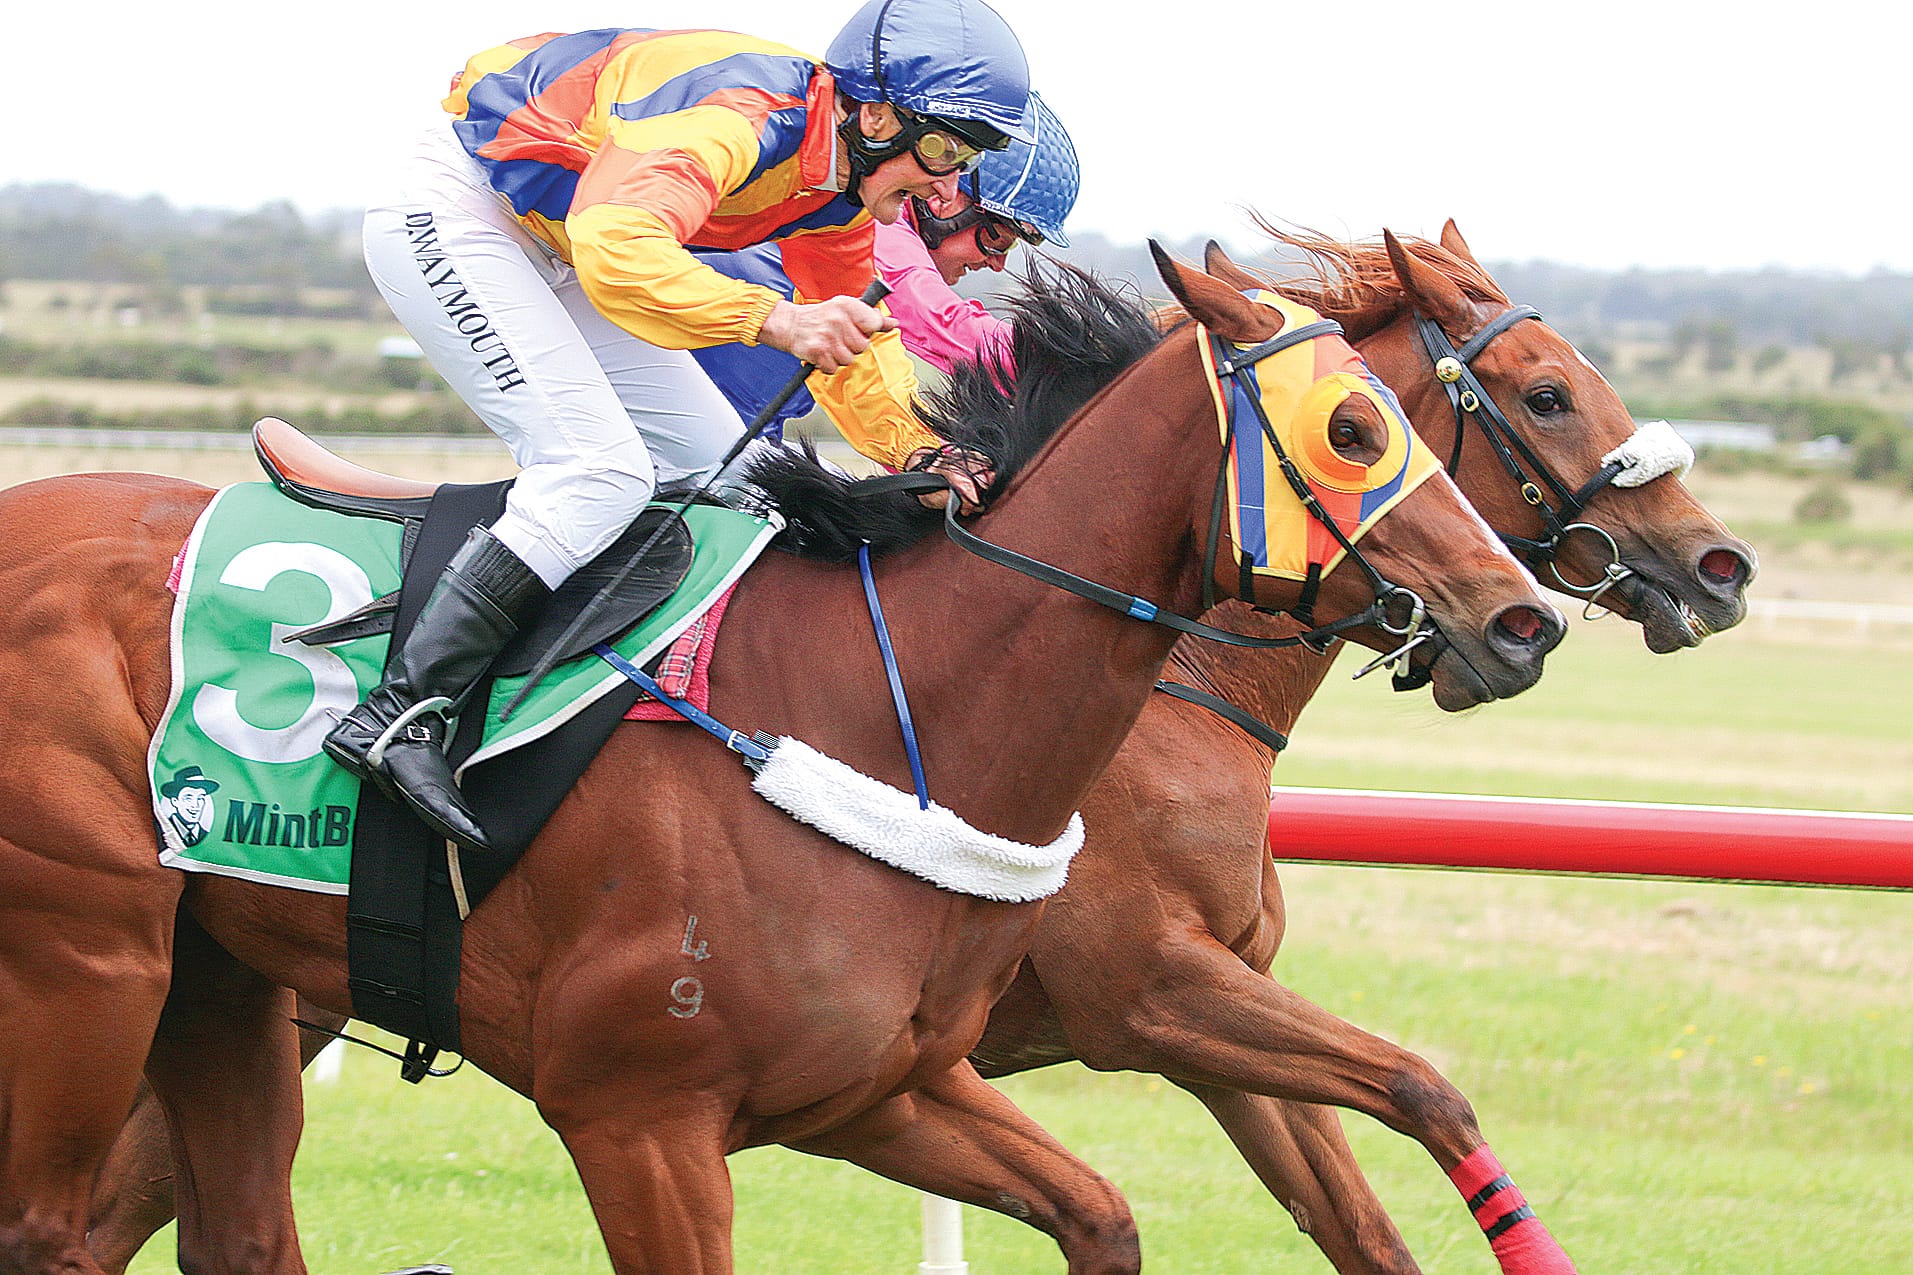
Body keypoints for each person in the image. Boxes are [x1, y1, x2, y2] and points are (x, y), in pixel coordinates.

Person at [328, 0, 1036, 852]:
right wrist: (770, 320)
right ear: (877, 113)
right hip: (462, 212)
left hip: (554, 240)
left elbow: (844, 338)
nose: (947, 184)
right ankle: (398, 713)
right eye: (947, 149)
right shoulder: (746, 116)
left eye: (969, 159)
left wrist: (918, 450)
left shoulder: (836, 189)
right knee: (598, 469)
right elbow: (618, 245)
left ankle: (631, 699)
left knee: (729, 475)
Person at [688, 91, 1079, 438]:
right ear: (948, 202)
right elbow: (944, 324)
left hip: (737, 427)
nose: (996, 263)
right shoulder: (875, 230)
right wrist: (1088, 365)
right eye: (998, 238)